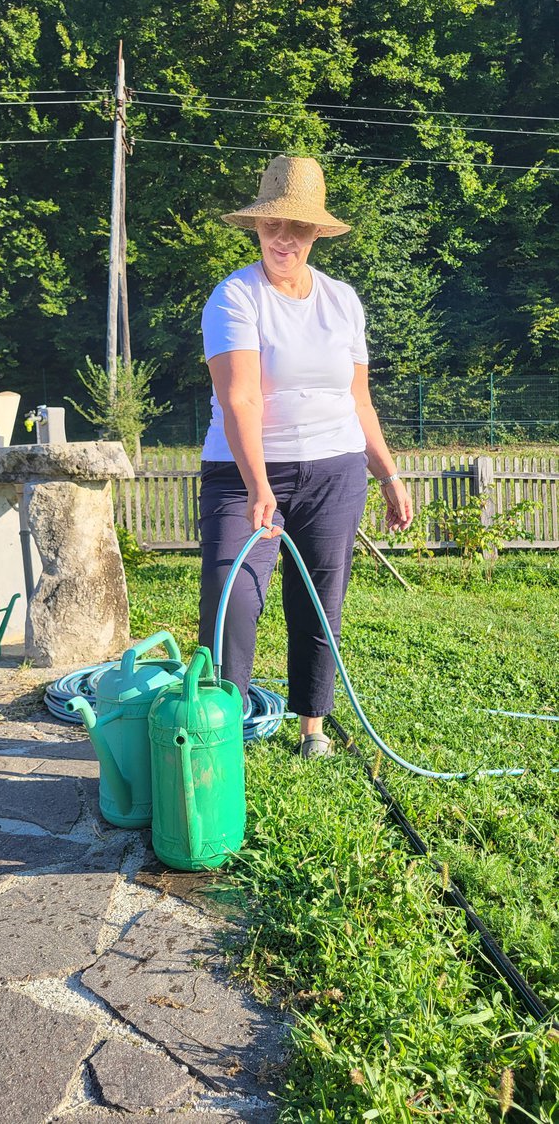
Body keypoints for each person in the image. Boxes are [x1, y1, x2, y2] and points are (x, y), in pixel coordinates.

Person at [197, 155, 413, 758]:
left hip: (335, 467)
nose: (283, 238)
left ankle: (311, 727)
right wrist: (259, 486)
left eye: (297, 226)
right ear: (257, 228)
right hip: (242, 472)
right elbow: (239, 396)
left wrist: (388, 473)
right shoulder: (235, 297)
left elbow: (358, 399)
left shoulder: (343, 301)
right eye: (271, 226)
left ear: (317, 232)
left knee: (320, 595)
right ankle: (222, 727)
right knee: (231, 591)